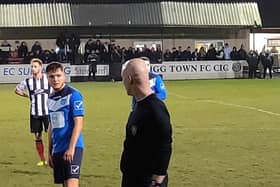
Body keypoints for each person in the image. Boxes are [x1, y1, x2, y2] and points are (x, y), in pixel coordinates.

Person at [120, 58, 173, 187]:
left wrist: (157, 180)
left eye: (123, 79)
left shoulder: (155, 108)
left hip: (147, 180)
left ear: (129, 78)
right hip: (133, 178)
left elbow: (165, 144)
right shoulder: (140, 105)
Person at [46, 62, 84, 187]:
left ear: (64, 76)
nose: (55, 79)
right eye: (52, 76)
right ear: (47, 78)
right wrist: (50, 151)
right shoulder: (50, 98)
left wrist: (71, 148)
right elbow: (51, 126)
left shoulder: (73, 94)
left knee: (71, 184)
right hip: (58, 149)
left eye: (58, 75)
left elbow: (79, 122)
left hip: (72, 148)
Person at [15, 58, 51, 166]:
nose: (33, 68)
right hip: (35, 113)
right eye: (31, 66)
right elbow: (17, 90)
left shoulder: (48, 79)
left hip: (48, 112)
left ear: (40, 67)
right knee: (37, 136)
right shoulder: (28, 81)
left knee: (52, 137)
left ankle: (52, 158)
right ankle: (42, 159)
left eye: (35, 66)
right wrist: (27, 96)